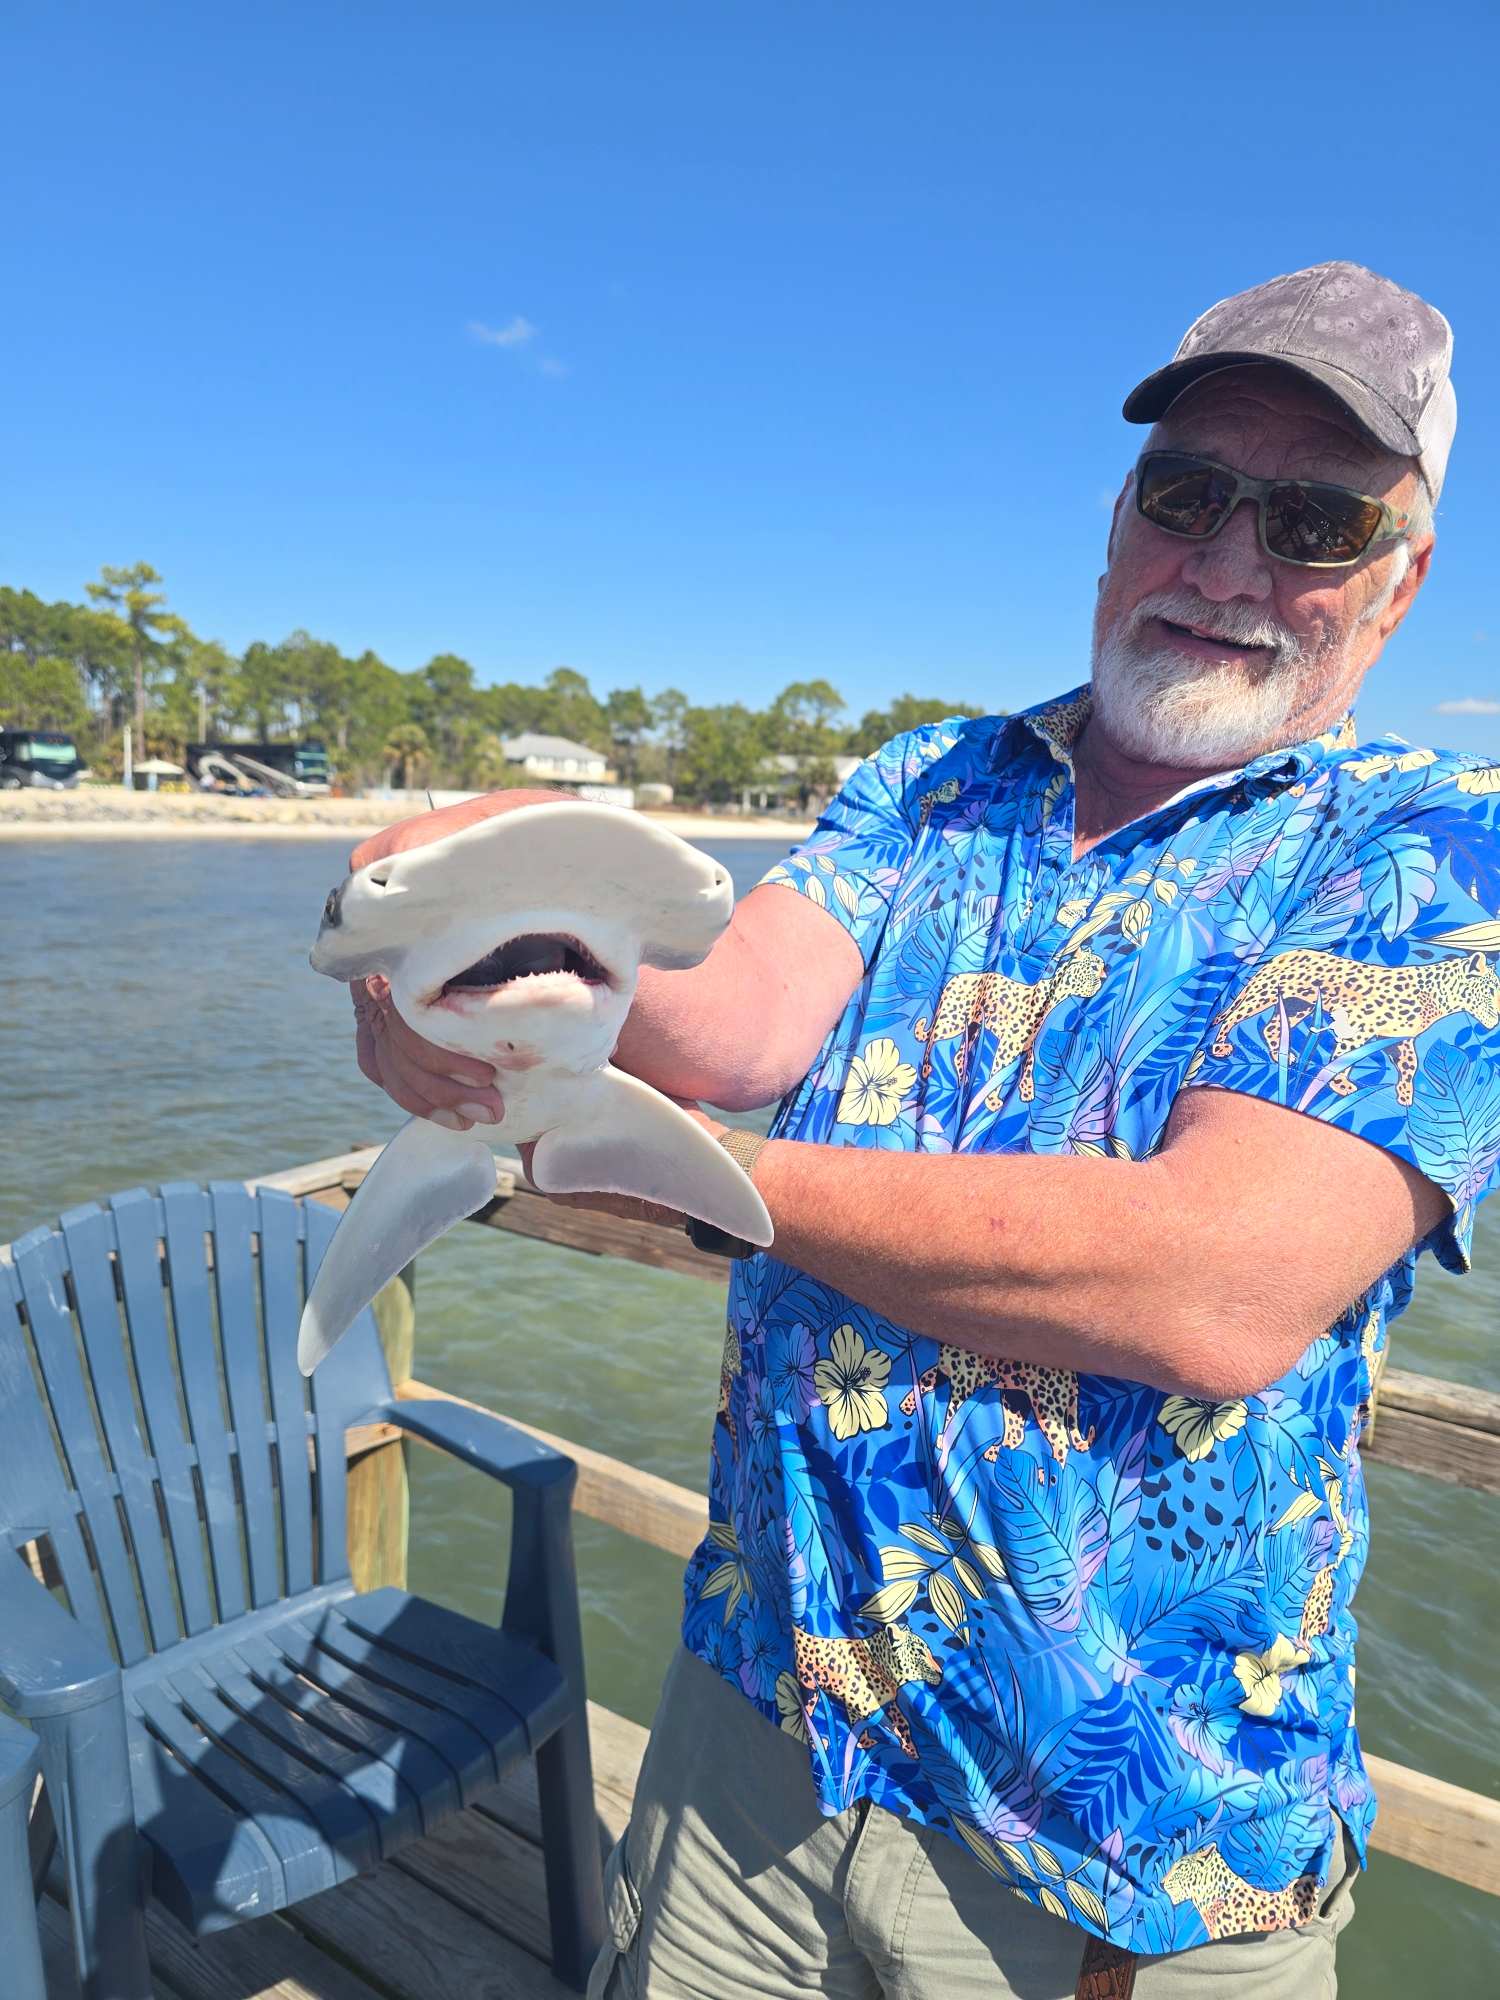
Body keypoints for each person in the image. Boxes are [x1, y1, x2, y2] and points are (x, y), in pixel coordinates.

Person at [348, 263, 1492, 1999]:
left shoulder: (1438, 851)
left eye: (1316, 524)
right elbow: (730, 1016)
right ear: (1117, 522)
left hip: (1127, 1847)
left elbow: (1217, 1287)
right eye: (1188, 495)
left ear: (1396, 588)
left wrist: (637, 1156)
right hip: (761, 1719)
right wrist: (452, 906)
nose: (1232, 564)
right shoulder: (930, 781)